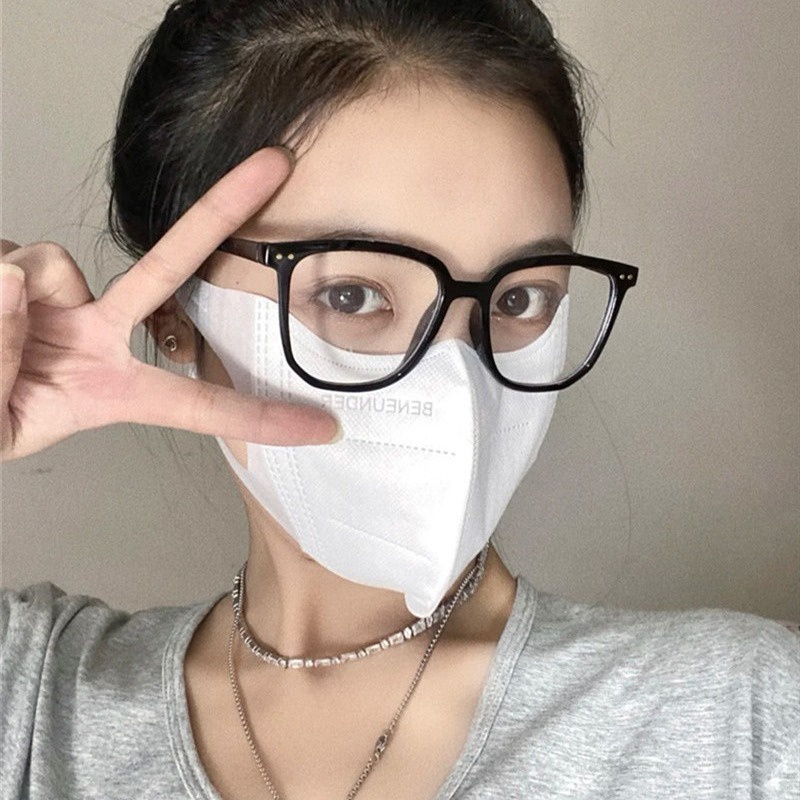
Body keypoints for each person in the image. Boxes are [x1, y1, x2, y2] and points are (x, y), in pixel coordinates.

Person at [1, 1, 797, 799]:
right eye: (352, 295)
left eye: (518, 299)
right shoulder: (33, 700)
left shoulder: (743, 718)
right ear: (175, 315)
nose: (457, 382)